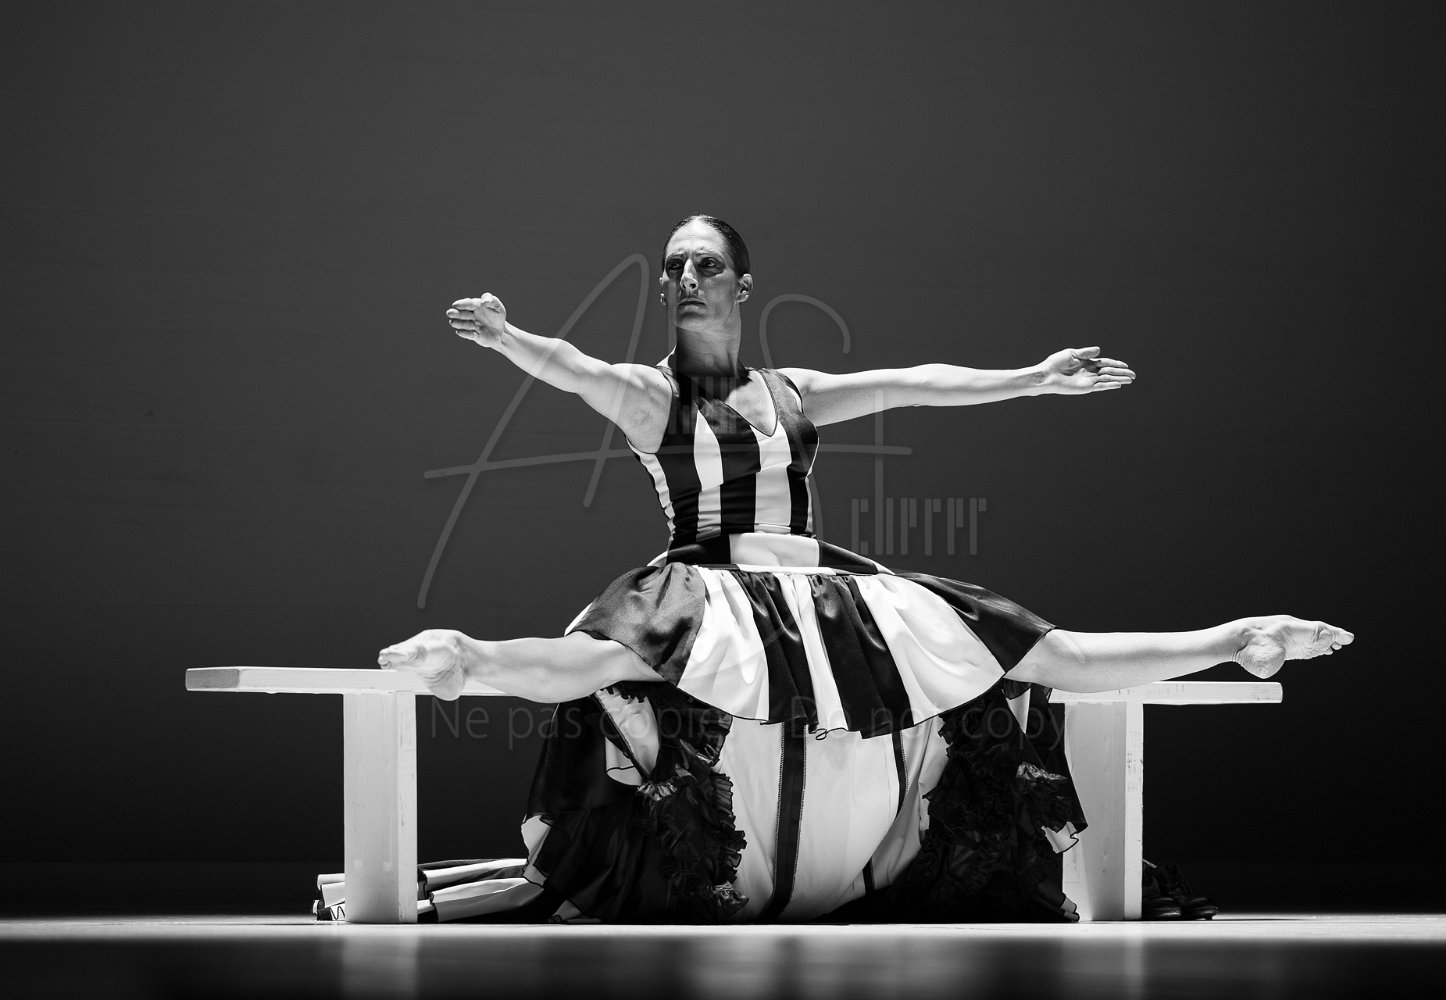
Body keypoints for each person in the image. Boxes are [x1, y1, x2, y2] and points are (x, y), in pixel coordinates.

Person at [369, 215, 1352, 924]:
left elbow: (915, 384)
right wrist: (507, 337)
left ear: (742, 285)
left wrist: (1031, 378)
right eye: (673, 267)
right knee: (599, 659)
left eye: (706, 263)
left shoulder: (794, 391)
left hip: (823, 590)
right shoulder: (650, 397)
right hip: (710, 582)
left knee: (1033, 651)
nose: (687, 278)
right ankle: (464, 655)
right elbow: (574, 368)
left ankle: (1238, 637)